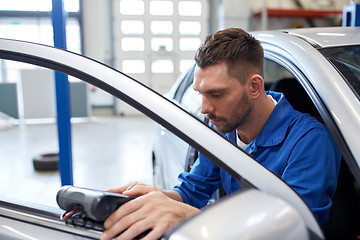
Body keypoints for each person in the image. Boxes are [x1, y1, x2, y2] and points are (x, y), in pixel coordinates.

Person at [100, 28, 341, 240]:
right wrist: (156, 198)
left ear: (255, 86)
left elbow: (295, 231)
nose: (204, 109)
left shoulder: (310, 142)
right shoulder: (222, 130)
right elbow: (192, 191)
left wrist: (187, 215)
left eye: (216, 95)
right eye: (200, 94)